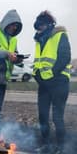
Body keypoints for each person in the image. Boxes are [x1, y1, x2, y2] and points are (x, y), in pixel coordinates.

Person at [33, 11, 71, 154]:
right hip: (44, 85)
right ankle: (46, 145)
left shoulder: (60, 35)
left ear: (48, 24)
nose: (39, 30)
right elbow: (38, 62)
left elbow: (64, 58)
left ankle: (60, 147)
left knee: (57, 117)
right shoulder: (39, 40)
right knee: (43, 116)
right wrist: (37, 75)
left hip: (59, 83)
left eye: (40, 26)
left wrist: (51, 76)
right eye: (37, 27)